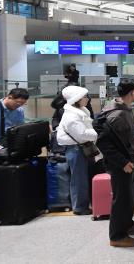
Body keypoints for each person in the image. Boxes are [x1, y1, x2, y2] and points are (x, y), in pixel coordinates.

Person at [94, 80, 134, 248]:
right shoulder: (117, 114)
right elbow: (103, 143)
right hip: (120, 163)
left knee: (129, 195)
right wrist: (122, 162)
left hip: (127, 160)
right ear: (132, 93)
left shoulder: (121, 109)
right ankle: (117, 235)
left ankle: (127, 224)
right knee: (121, 199)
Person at [56, 86, 98, 215]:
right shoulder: (72, 116)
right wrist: (97, 133)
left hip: (80, 148)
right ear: (77, 99)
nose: (87, 99)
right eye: (85, 97)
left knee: (82, 178)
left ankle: (83, 204)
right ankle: (79, 207)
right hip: (76, 149)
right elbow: (82, 135)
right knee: (79, 179)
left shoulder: (80, 111)